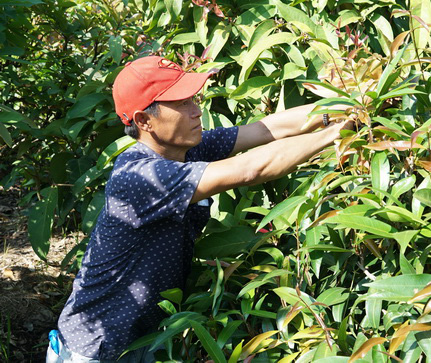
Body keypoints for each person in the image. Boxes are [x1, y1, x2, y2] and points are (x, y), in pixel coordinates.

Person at [46, 55, 353, 362]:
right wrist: (336, 135)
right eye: (181, 104)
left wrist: (335, 111)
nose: (196, 111)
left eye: (192, 99)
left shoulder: (187, 149)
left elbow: (262, 130)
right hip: (94, 348)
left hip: (142, 340)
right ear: (143, 121)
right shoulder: (140, 178)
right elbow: (250, 169)